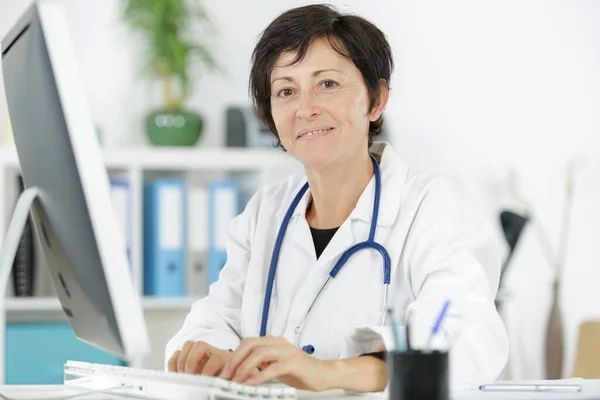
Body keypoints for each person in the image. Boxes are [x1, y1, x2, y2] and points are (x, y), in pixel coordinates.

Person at [165, 3, 508, 393]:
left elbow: (468, 345)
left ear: (376, 99)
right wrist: (210, 354)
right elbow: (211, 323)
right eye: (286, 91)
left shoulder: (433, 209)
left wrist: (324, 372)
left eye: (327, 84)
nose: (305, 109)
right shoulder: (264, 213)